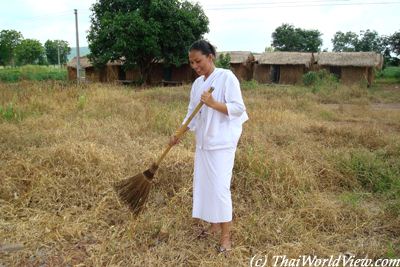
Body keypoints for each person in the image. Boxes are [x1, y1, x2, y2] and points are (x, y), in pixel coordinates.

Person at [169, 40, 248, 253]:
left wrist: (213, 103)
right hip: (204, 143)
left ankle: (226, 237)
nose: (195, 66)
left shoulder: (226, 77)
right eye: (191, 63)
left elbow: (238, 108)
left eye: (198, 61)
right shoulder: (197, 85)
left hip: (222, 143)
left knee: (220, 188)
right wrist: (180, 131)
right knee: (206, 186)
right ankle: (213, 224)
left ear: (210, 57)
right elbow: (191, 113)